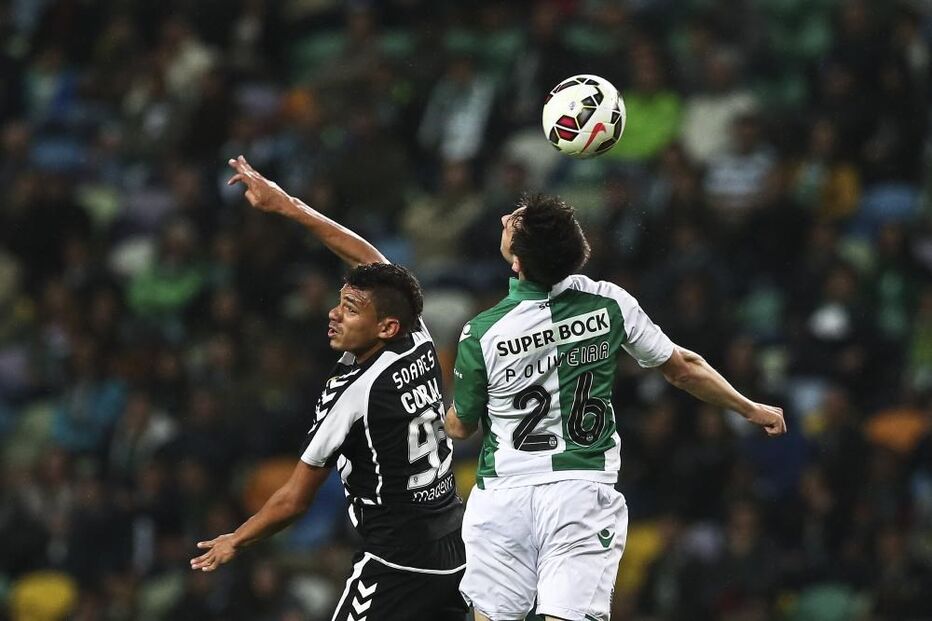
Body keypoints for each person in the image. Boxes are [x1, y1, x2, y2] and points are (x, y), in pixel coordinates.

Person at [444, 194, 786, 621]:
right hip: (579, 492)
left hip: (502, 497)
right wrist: (748, 407)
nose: (503, 217)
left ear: (518, 262)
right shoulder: (608, 305)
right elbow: (683, 369)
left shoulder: (483, 333)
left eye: (512, 223)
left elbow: (460, 428)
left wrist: (436, 412)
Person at [190, 156, 467, 620]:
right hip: (453, 548)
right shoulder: (416, 339)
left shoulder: (354, 393)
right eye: (339, 302)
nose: (335, 314)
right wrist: (289, 206)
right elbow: (373, 263)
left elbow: (294, 499)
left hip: (396, 562)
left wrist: (235, 539)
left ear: (384, 326)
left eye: (351, 309)